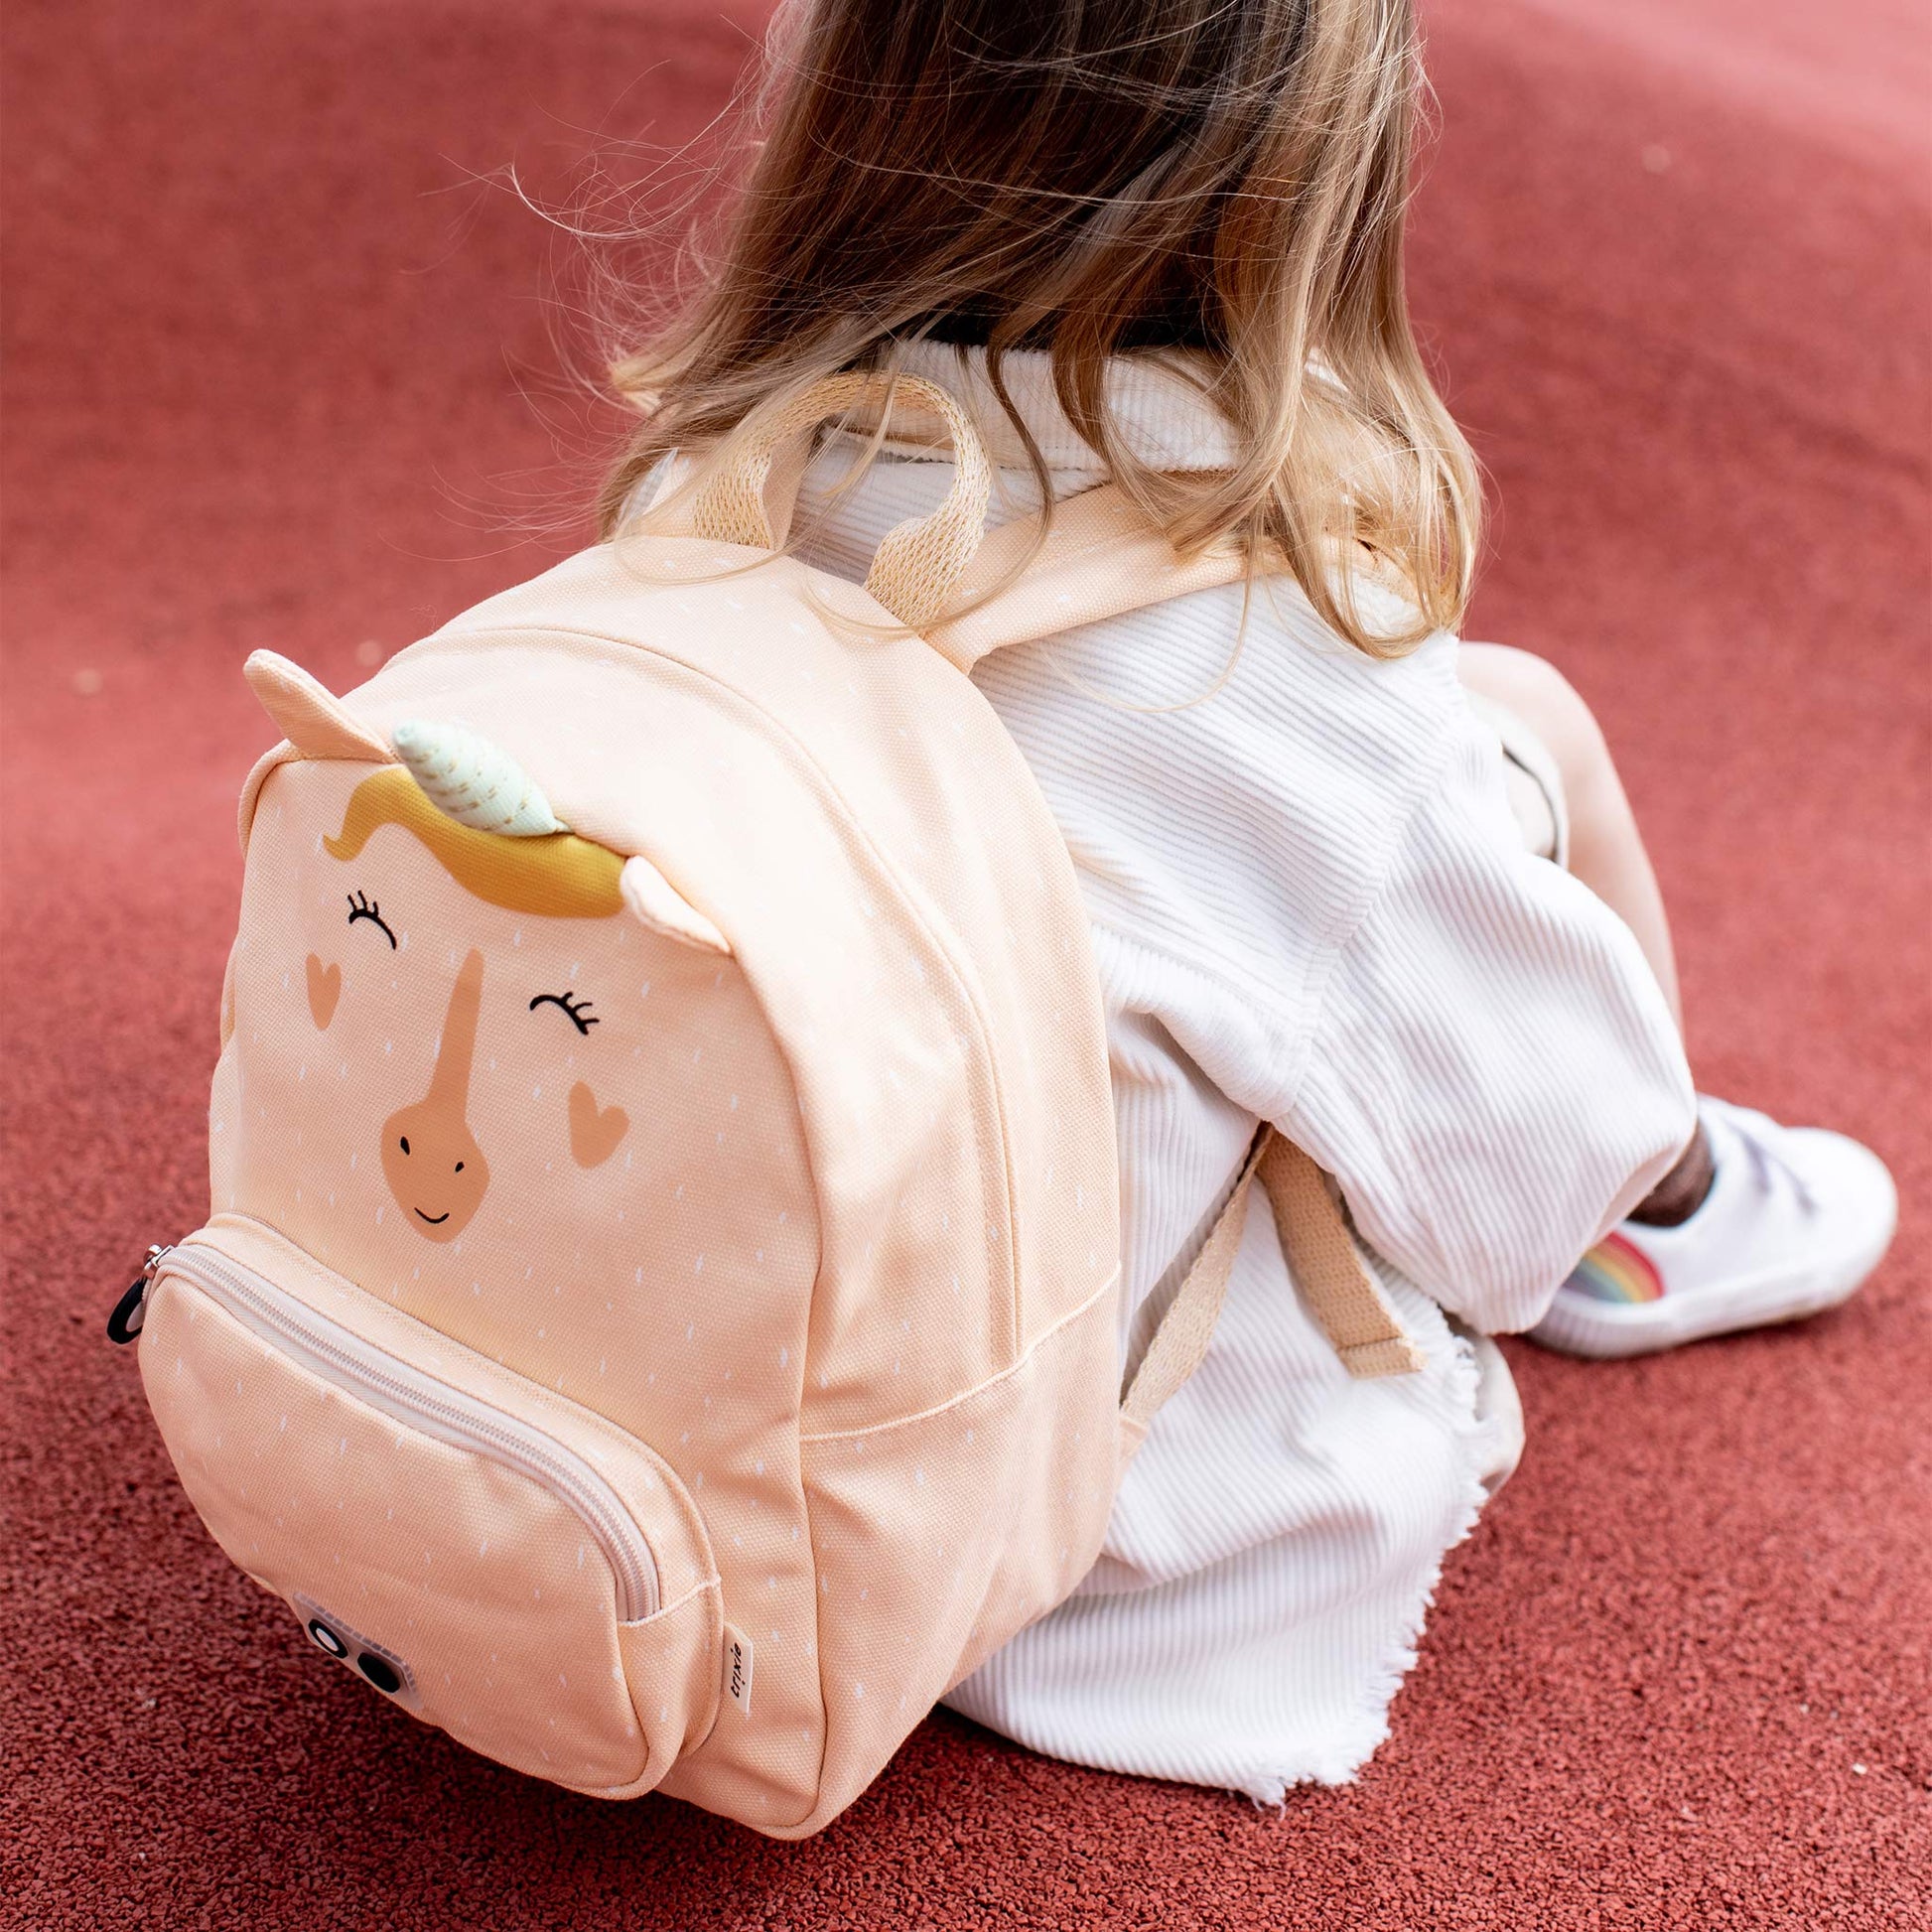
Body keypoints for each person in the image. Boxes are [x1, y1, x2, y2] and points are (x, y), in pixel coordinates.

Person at [599, 0, 1898, 1800]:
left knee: (1425, 767)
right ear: (1301, 190)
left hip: (683, 1419)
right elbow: (1515, 1193)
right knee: (1523, 759)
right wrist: (1592, 1154)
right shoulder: (1282, 690)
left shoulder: (707, 488)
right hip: (1078, 1575)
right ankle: (1670, 1195)